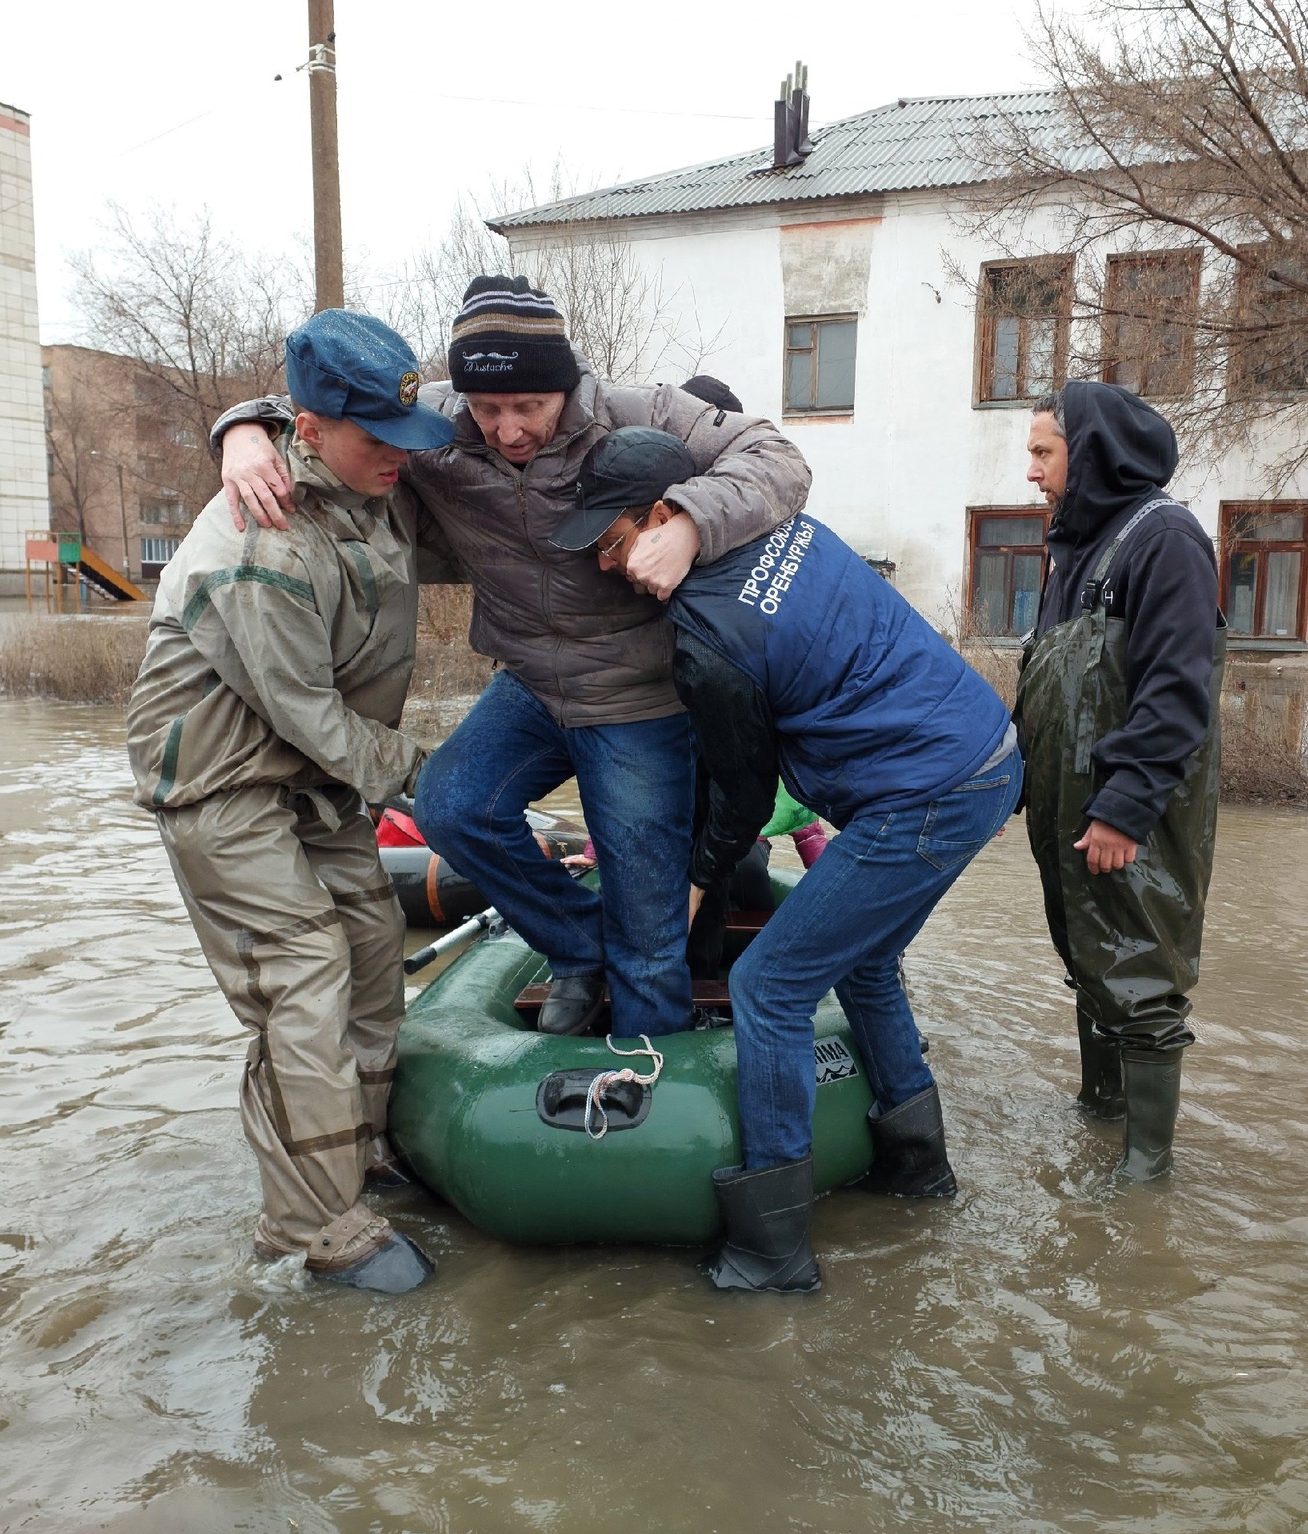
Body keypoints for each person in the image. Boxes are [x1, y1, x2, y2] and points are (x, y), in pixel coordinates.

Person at [213, 278, 809, 1039]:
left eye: (528, 406)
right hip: (528, 681)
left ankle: (647, 1063)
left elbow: (777, 457)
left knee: (647, 913)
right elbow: (329, 411)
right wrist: (241, 429)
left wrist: (690, 523)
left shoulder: (640, 410)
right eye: (487, 409)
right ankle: (574, 946)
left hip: (638, 694)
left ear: (567, 381)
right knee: (451, 808)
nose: (508, 430)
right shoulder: (433, 422)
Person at [564, 427, 1022, 1293]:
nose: (605, 567)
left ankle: (773, 1253)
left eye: (613, 543)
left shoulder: (707, 636)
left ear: (666, 514)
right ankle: (919, 1171)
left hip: (922, 791)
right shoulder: (779, 528)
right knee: (869, 958)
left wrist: (696, 884)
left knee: (766, 986)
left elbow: (742, 798)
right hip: (985, 752)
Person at [126, 310, 454, 1294]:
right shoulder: (257, 547)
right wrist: (433, 777)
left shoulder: (367, 479)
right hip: (223, 785)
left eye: (403, 438)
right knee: (301, 972)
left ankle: (359, 1154)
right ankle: (315, 1228)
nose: (399, 455)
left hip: (314, 787)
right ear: (307, 432)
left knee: (367, 950)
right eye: (374, 439)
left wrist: (242, 417)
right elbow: (308, 714)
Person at [1017, 382, 1223, 1181]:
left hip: (1129, 814)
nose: (1031, 473)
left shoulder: (1165, 539)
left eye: (1043, 452)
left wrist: (1126, 807)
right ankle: (1098, 1113)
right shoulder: (1072, 549)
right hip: (1066, 808)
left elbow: (1178, 691)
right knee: (1090, 960)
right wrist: (1010, 781)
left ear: (1090, 451)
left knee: (1141, 975)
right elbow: (1043, 680)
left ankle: (1146, 1172)